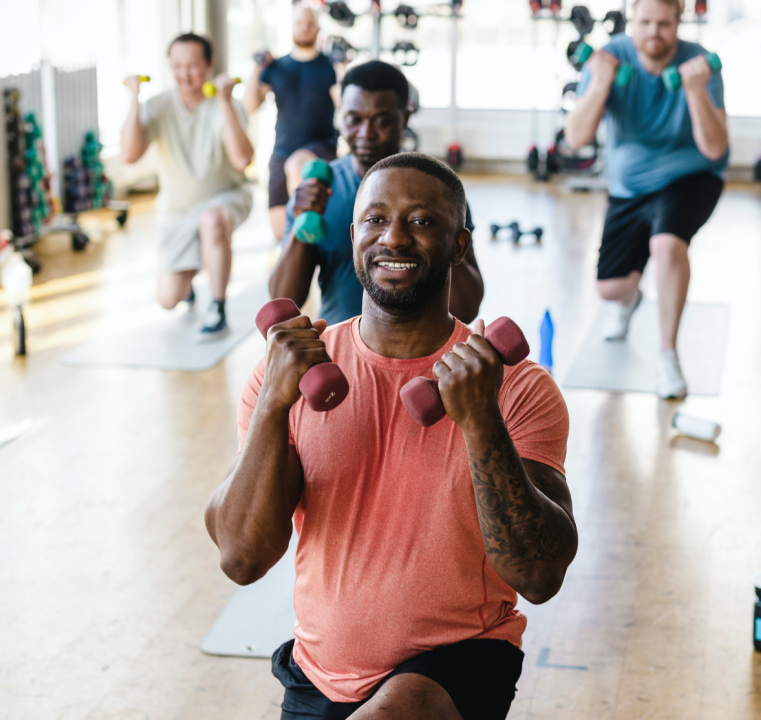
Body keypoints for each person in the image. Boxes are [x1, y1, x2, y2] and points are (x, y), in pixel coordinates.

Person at [205, 152, 577, 719]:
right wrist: (273, 407)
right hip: (322, 671)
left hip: (460, 661)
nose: (394, 238)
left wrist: (481, 422)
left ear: (460, 245)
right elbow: (242, 558)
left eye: (421, 221)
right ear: (353, 234)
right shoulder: (291, 374)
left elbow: (539, 573)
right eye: (375, 220)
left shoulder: (515, 388)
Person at [563, 0, 730, 400]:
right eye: (645, 22)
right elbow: (576, 139)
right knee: (609, 289)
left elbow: (715, 147)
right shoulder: (609, 57)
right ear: (631, 22)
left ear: (678, 23)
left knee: (668, 244)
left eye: (664, 23)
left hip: (691, 175)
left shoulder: (700, 64)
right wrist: (601, 82)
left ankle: (667, 355)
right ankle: (630, 300)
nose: (654, 32)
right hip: (629, 186)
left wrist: (694, 91)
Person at [269, 60, 484, 326]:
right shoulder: (317, 192)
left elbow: (467, 308)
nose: (366, 133)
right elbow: (284, 301)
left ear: (404, 118)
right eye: (354, 120)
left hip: (423, 357)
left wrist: (440, 227)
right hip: (340, 355)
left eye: (381, 121)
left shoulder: (438, 190)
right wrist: (302, 227)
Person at [120, 33, 254, 336]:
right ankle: (192, 276)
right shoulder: (158, 105)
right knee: (168, 299)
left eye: (193, 65)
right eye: (177, 66)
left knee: (212, 221)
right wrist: (133, 98)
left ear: (210, 64)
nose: (185, 74)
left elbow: (243, 159)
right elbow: (129, 155)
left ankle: (217, 307)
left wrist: (223, 101)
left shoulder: (227, 105)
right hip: (177, 211)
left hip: (227, 196)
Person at [243, 5, 341, 241]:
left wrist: (342, 67)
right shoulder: (277, 67)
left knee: (298, 171)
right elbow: (250, 105)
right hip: (283, 149)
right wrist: (258, 66)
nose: (305, 29)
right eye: (300, 24)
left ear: (318, 28)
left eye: (310, 24)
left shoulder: (329, 65)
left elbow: (345, 106)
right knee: (280, 231)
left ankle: (316, 264)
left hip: (321, 147)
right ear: (292, 28)